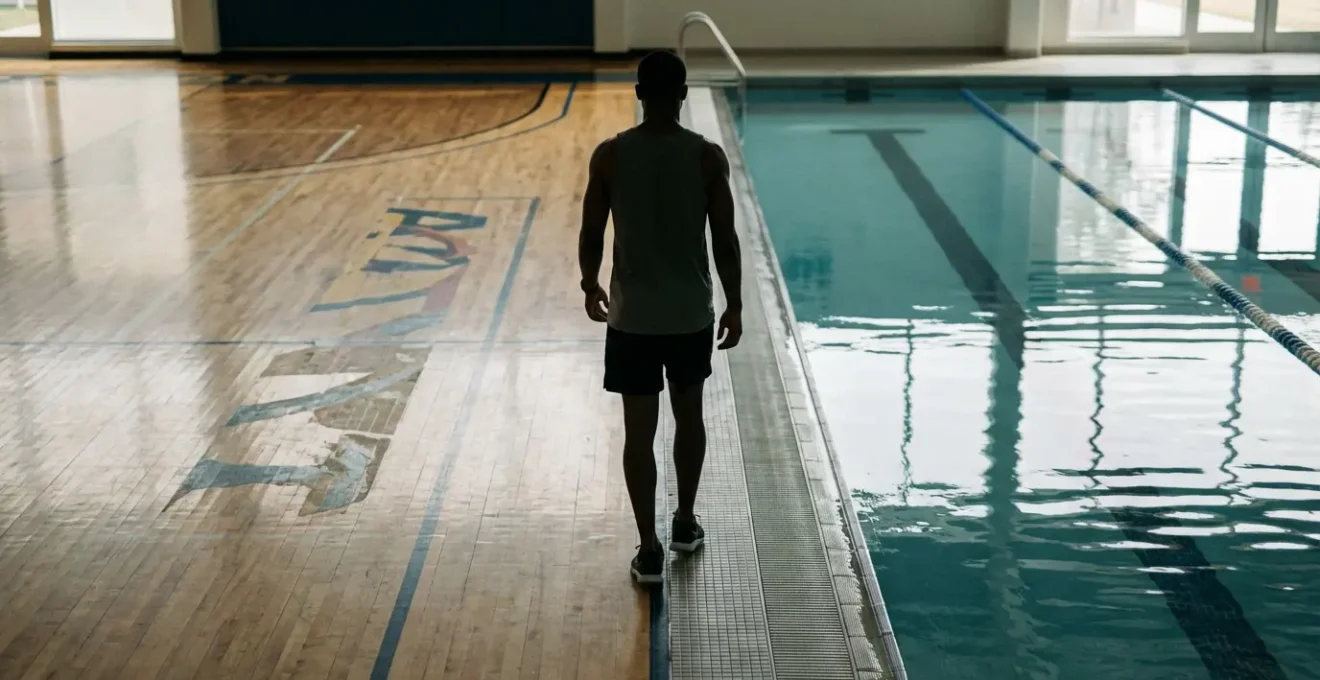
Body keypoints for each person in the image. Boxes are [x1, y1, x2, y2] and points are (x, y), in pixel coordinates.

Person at [577, 50, 742, 585]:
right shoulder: (706, 157)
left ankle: (648, 549)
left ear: (639, 94)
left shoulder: (610, 156)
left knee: (638, 433)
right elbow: (725, 241)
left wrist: (590, 283)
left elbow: (591, 233)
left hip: (633, 319)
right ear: (684, 94)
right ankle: (685, 523)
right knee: (689, 419)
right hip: (689, 315)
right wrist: (735, 303)